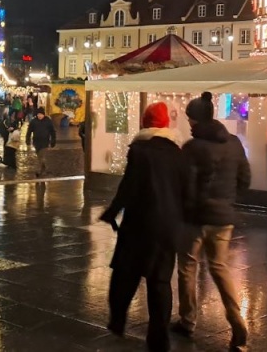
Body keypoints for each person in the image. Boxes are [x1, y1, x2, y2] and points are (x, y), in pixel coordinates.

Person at [100, 102, 185, 352]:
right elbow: (186, 190)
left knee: (125, 274)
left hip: (140, 224)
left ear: (146, 122)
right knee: (160, 282)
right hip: (168, 226)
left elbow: (129, 187)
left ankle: (117, 320)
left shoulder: (140, 150)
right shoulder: (178, 153)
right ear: (166, 124)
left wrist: (112, 212)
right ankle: (159, 339)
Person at [173, 92, 251, 352]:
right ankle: (236, 319)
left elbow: (182, 184)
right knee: (219, 267)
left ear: (194, 120)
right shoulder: (234, 142)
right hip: (223, 218)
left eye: (189, 119)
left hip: (194, 218)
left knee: (187, 267)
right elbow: (245, 178)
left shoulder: (192, 148)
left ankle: (187, 320)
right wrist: (228, 201)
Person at [26, 108, 56, 176]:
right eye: (38, 114)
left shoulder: (48, 121)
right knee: (39, 156)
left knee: (41, 156)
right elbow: (29, 131)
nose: (39, 116)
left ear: (43, 114)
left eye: (41, 114)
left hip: (45, 142)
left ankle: (38, 170)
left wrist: (53, 140)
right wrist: (27, 140)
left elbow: (52, 131)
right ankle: (44, 168)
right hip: (36, 142)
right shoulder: (33, 121)